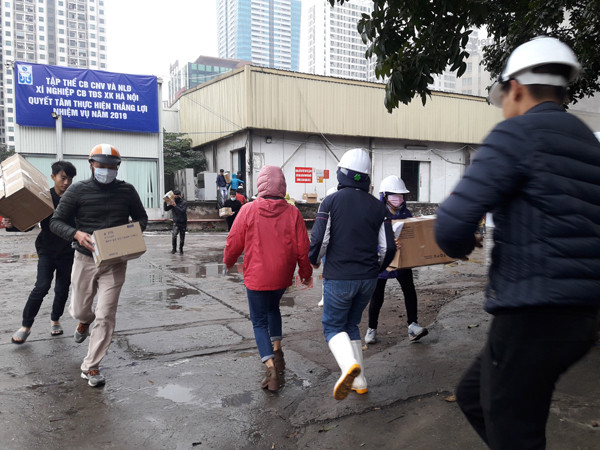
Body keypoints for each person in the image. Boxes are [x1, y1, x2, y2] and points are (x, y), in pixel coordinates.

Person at [434, 36, 600, 449]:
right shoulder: (588, 143)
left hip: (531, 314)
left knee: (515, 434)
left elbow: (451, 225)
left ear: (517, 89)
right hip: (582, 318)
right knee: (475, 395)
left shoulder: (516, 133)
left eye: (504, 97)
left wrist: (464, 243)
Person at [50, 144, 148, 388]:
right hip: (85, 258)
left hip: (115, 262)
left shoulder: (127, 191)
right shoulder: (77, 191)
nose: (107, 170)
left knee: (105, 315)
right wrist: (76, 234)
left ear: (118, 167)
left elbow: (141, 219)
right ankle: (84, 321)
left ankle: (91, 366)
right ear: (91, 164)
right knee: (79, 309)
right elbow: (56, 222)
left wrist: (128, 235)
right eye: (102, 165)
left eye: (112, 166)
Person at [309, 148, 396, 400]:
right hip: (368, 279)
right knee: (351, 325)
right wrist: (376, 269)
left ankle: (349, 367)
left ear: (342, 173)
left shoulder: (331, 201)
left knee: (332, 326)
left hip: (339, 277)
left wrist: (314, 260)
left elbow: (320, 240)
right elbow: (388, 248)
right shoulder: (379, 207)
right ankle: (360, 381)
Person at [223, 165, 312, 392]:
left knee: (259, 321)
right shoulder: (293, 213)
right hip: (281, 276)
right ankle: (278, 350)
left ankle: (271, 368)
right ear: (282, 185)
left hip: (256, 277)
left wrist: (228, 261)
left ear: (261, 184)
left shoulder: (248, 210)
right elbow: (303, 248)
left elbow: (234, 241)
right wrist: (305, 274)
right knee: (273, 309)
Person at [7, 161, 77, 344]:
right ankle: (25, 326)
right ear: (53, 177)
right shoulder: (44, 198)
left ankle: (55, 320)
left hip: (68, 251)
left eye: (70, 179)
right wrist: (12, 225)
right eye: (63, 178)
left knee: (62, 289)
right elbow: (30, 223)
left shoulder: (75, 199)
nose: (66, 182)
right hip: (47, 249)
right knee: (41, 287)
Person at [365, 175, 428, 345]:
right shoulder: (376, 213)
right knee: (377, 296)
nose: (398, 198)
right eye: (394, 195)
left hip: (403, 260)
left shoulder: (406, 213)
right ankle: (372, 328)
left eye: (401, 195)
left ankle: (413, 326)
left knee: (409, 290)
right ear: (384, 196)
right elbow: (369, 238)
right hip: (382, 260)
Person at [164, 189, 188, 254]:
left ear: (180, 196)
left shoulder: (184, 202)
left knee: (182, 237)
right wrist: (166, 201)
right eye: (175, 196)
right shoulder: (173, 202)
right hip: (176, 222)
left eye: (177, 196)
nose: (176, 198)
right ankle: (174, 249)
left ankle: (181, 249)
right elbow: (166, 209)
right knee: (174, 235)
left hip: (183, 222)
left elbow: (182, 211)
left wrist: (175, 205)